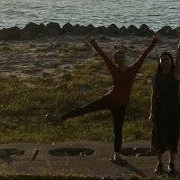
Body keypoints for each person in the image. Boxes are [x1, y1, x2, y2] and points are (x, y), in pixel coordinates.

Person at [58, 33, 160, 162]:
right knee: (86, 108)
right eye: (116, 58)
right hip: (109, 100)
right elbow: (104, 56)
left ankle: (116, 155)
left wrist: (154, 42)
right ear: (115, 60)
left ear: (124, 58)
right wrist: (93, 43)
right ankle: (61, 117)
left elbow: (144, 55)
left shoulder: (132, 69)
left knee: (118, 130)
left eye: (120, 57)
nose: (118, 59)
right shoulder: (114, 68)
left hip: (121, 105)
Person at [149, 29, 180, 175]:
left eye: (167, 59)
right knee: (158, 137)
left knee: (173, 136)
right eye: (162, 59)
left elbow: (179, 57)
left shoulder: (175, 74)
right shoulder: (156, 77)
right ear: (159, 62)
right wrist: (151, 112)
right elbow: (153, 95)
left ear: (171, 61)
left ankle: (171, 163)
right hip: (159, 109)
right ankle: (159, 163)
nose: (165, 61)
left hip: (173, 109)